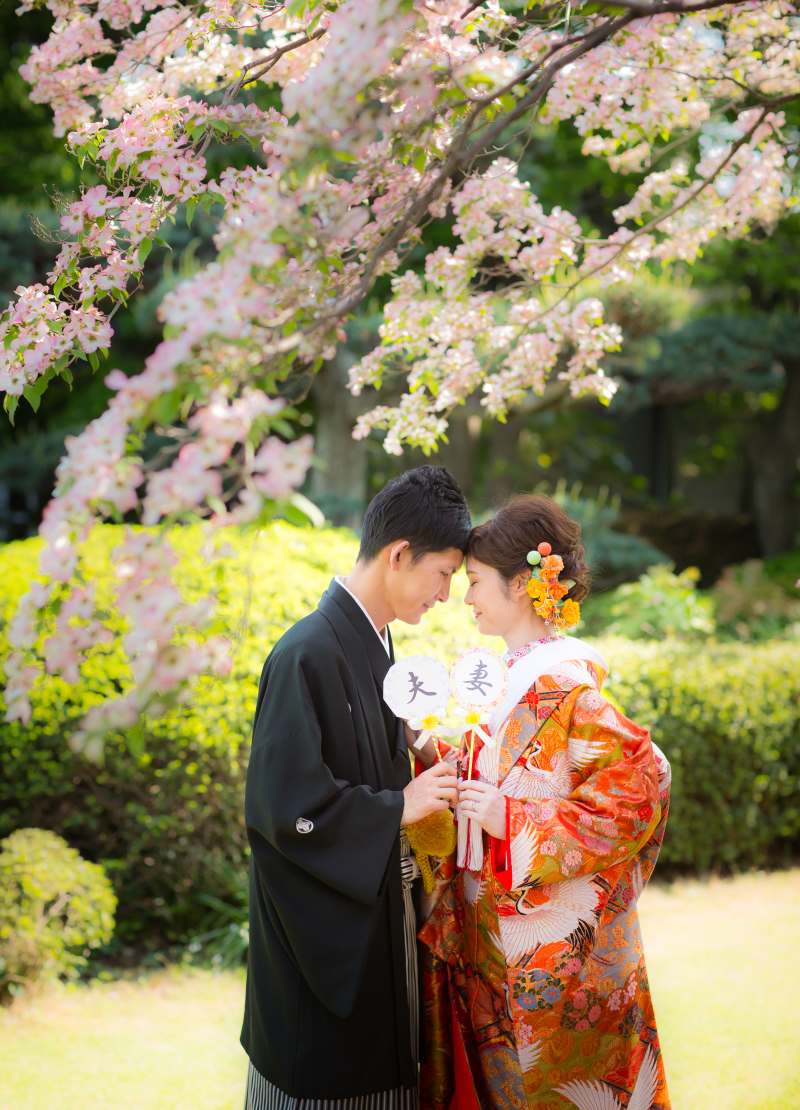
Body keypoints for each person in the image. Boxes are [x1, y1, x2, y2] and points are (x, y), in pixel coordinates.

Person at [419, 494, 672, 1110]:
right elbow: (496, 775)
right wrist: (429, 750)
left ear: (527, 585)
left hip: (551, 949)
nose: (466, 597)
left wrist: (513, 818)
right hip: (490, 933)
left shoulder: (567, 687)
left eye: (476, 582)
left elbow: (644, 785)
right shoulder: (511, 678)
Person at [241, 466, 469, 1110]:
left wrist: (416, 753)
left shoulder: (374, 644)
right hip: (324, 945)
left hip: (377, 922)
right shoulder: (305, 654)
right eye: (445, 573)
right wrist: (399, 806)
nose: (447, 594)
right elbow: (283, 812)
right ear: (400, 555)